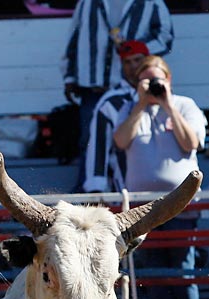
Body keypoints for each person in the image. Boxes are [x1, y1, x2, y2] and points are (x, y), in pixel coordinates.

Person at [112, 55, 205, 299]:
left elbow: (191, 143)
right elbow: (120, 141)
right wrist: (141, 105)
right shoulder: (131, 109)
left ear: (168, 80)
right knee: (151, 271)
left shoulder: (184, 105)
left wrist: (167, 105)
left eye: (156, 80)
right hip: (143, 208)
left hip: (181, 204)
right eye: (145, 81)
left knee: (183, 270)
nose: (152, 85)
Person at [61, 0, 173, 190]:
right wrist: (70, 75)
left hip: (131, 88)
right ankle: (89, 193)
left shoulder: (150, 2)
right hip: (94, 86)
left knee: (134, 142)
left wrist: (137, 50)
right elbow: (75, 35)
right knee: (90, 142)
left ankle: (126, 193)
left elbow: (165, 37)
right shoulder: (88, 2)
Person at [81, 39, 148, 194]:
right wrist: (96, 188)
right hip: (128, 192)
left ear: (148, 60)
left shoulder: (167, 97)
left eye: (138, 60)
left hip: (169, 192)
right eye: (127, 62)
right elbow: (98, 146)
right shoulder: (110, 102)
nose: (133, 67)